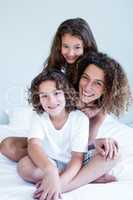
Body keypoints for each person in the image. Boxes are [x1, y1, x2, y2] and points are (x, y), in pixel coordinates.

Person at [17, 69, 89, 200]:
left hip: (73, 163)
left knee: (107, 158)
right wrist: (50, 170)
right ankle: (86, 176)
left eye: (56, 93)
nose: (51, 101)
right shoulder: (38, 116)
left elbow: (77, 157)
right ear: (38, 98)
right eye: (44, 96)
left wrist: (59, 181)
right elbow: (34, 145)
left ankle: (63, 180)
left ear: (66, 94)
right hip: (51, 162)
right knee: (23, 166)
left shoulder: (80, 119)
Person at [44, 17, 98, 85]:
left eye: (77, 47)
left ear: (86, 46)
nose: (71, 53)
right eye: (66, 46)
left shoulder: (94, 69)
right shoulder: (57, 62)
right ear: (59, 45)